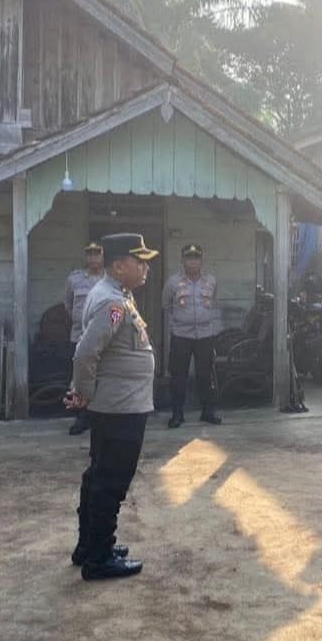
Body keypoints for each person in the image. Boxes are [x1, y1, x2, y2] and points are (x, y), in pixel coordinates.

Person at [63, 233, 159, 581]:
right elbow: (86, 352)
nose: (146, 267)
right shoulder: (111, 302)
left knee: (98, 475)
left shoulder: (117, 294)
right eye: (139, 261)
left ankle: (90, 546)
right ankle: (99, 559)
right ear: (119, 266)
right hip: (120, 407)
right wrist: (83, 393)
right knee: (111, 481)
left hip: (119, 403)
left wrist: (85, 392)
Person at [162, 243, 222, 428]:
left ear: (201, 260)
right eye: (189, 257)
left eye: (196, 258)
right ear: (182, 260)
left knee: (205, 375)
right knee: (178, 376)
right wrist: (174, 327)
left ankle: (207, 411)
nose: (193, 261)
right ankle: (177, 414)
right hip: (181, 335)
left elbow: (214, 303)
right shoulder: (172, 282)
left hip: (205, 335)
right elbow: (166, 306)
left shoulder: (211, 281)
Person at [64, 241, 105, 436]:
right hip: (79, 336)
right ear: (85, 257)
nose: (93, 257)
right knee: (80, 378)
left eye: (97, 253)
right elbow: (68, 305)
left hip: (104, 339)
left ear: (103, 256)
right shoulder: (75, 279)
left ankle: (100, 415)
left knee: (103, 377)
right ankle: (82, 417)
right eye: (90, 254)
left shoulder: (111, 280)